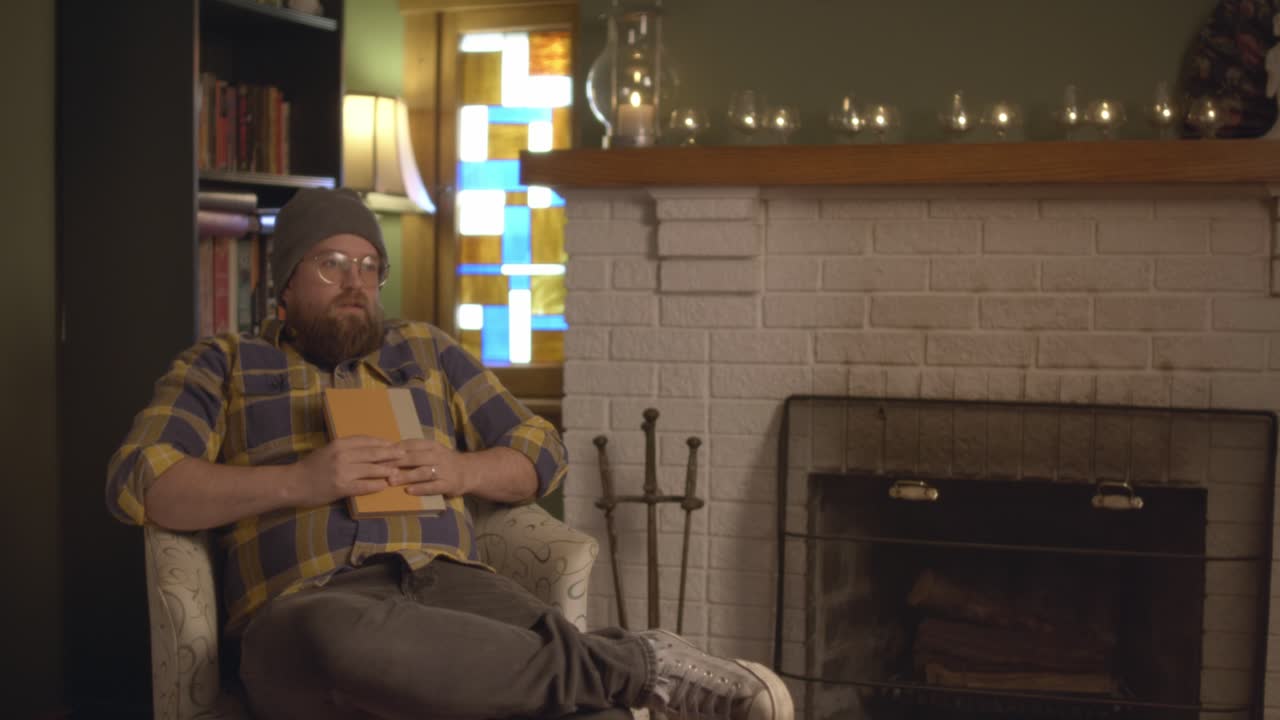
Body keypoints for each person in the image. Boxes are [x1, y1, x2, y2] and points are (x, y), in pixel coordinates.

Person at [106, 187, 794, 720]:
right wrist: (300, 481)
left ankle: (614, 677)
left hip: (451, 585)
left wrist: (462, 469)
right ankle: (639, 665)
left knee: (590, 715)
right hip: (306, 604)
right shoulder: (225, 364)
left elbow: (541, 449)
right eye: (332, 264)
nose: (356, 282)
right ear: (285, 282)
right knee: (341, 640)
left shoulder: (425, 351)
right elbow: (143, 480)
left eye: (369, 266)